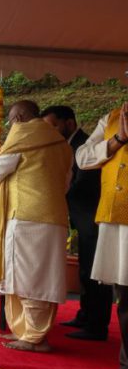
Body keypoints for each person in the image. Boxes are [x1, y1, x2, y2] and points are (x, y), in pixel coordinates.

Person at [0, 100, 71, 353]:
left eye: (11, 120)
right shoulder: (61, 142)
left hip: (26, 216)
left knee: (26, 278)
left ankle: (34, 337)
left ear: (20, 117)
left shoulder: (23, 135)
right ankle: (27, 331)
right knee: (43, 277)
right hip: (54, 216)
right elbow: (66, 182)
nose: (11, 126)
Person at [42, 105, 107, 340]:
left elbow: (81, 185)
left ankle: (96, 325)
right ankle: (85, 315)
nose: (50, 132)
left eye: (53, 126)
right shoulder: (66, 146)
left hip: (92, 218)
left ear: (69, 123)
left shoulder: (85, 144)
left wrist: (54, 196)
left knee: (95, 273)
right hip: (80, 219)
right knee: (84, 269)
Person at [76, 101, 128, 369]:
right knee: (125, 295)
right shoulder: (111, 119)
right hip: (117, 216)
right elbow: (83, 157)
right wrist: (118, 140)